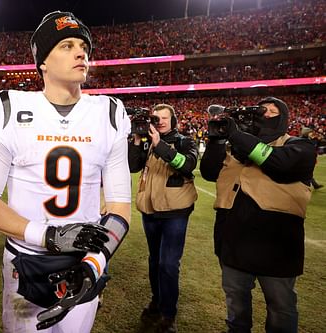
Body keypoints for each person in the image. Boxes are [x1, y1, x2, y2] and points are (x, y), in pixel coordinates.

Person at [0, 11, 131, 333]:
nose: (80, 52)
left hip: (84, 260)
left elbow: (119, 208)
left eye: (83, 45)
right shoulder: (10, 108)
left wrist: (93, 265)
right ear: (42, 61)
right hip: (26, 260)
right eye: (66, 45)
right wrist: (48, 236)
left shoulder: (109, 113)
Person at [200, 97, 317, 333]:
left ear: (282, 118)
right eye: (258, 112)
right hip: (233, 243)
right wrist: (216, 140)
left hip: (277, 247)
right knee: (236, 311)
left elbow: (279, 164)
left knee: (280, 312)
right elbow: (209, 172)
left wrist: (237, 137)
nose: (262, 116)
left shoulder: (300, 146)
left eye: (270, 112)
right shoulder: (236, 150)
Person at [128, 104, 198, 332]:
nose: (161, 121)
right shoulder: (147, 139)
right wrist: (138, 140)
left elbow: (187, 166)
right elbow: (132, 166)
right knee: (154, 260)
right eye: (157, 118)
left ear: (173, 120)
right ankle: (157, 302)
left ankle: (169, 314)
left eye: (166, 118)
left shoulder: (184, 141)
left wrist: (159, 145)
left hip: (175, 210)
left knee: (168, 263)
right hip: (150, 209)